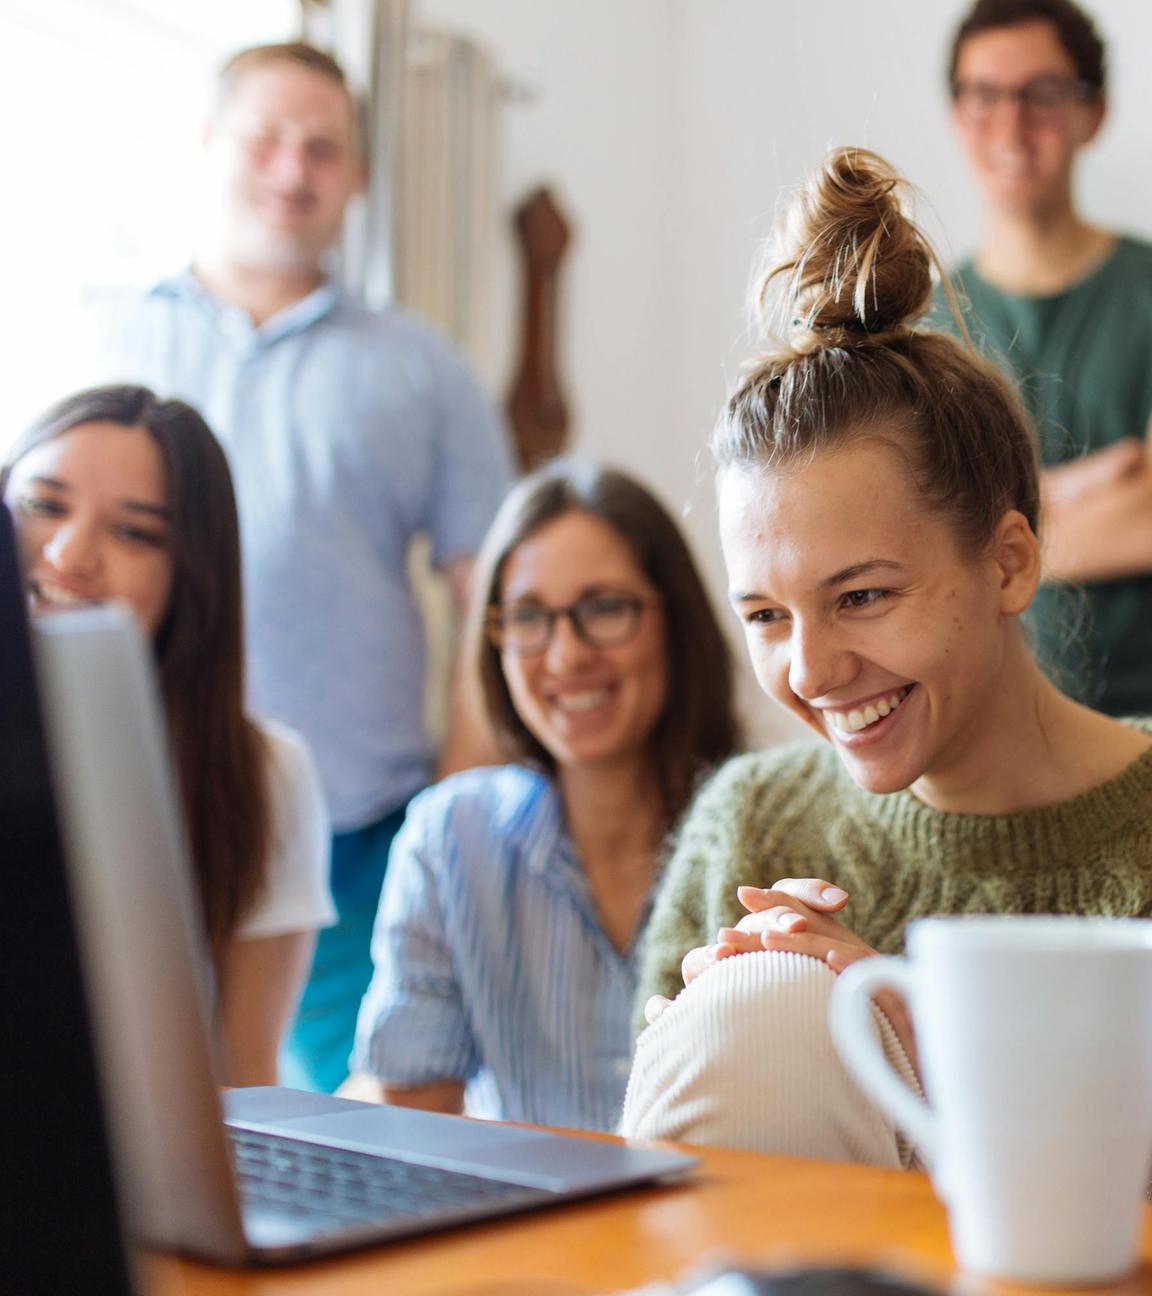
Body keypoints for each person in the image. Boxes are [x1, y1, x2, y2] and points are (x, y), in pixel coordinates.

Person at [621, 148, 1152, 1164]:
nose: (810, 672)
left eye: (861, 597)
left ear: (1009, 563)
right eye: (766, 616)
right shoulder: (749, 829)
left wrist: (927, 1059)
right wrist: (707, 1047)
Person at [93, 42, 516, 1091]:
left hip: (355, 835)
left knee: (344, 1127)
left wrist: (450, 802)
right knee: (114, 1109)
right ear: (209, 145)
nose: (294, 171)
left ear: (359, 175)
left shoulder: (422, 366)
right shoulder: (106, 338)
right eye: (267, 141)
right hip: (124, 815)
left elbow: (496, 597)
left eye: (323, 149)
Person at [348, 460, 741, 1130]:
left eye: (605, 608)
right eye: (529, 617)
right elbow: (411, 1123)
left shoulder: (766, 825)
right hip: (514, 1200)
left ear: (677, 623)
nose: (565, 657)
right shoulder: (450, 839)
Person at [1, 384, 335, 1085]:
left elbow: (243, 1079)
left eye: (133, 533)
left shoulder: (261, 775)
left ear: (192, 577)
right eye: (43, 505)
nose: (68, 553)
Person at [936, 0, 1152, 714]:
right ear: (957, 115)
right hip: (984, 724)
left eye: (1043, 94)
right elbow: (907, 539)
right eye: (985, 95)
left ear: (1094, 112)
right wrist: (1085, 490)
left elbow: (940, 548)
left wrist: (989, 526)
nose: (1012, 126)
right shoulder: (923, 326)